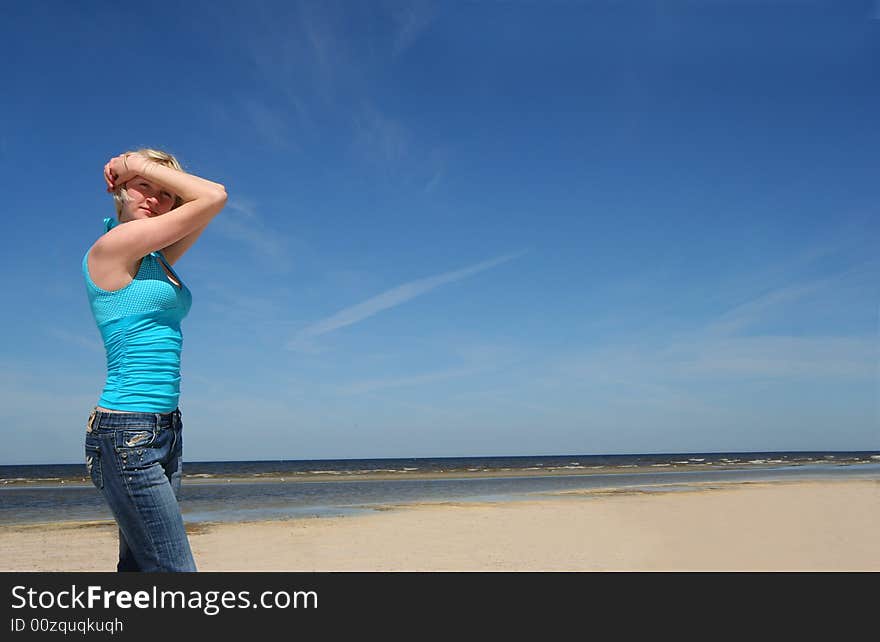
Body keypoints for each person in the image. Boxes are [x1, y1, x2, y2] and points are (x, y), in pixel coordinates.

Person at [82, 149, 227, 572]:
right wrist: (135, 164)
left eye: (165, 193)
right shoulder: (114, 246)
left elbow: (204, 207)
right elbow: (214, 196)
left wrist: (144, 173)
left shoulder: (156, 260)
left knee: (140, 568)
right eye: (143, 187)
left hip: (164, 428)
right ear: (120, 191)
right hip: (128, 433)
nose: (153, 197)